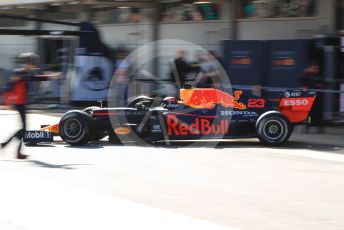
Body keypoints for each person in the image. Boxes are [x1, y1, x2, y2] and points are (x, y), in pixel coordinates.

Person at [1, 53, 60, 159]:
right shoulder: (19, 72)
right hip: (19, 103)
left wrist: (49, 77)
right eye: (32, 63)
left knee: (23, 129)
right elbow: (8, 87)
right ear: (27, 63)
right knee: (23, 129)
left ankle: (11, 148)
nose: (33, 65)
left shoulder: (25, 73)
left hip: (22, 103)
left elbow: (35, 78)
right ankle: (6, 146)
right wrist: (6, 102)